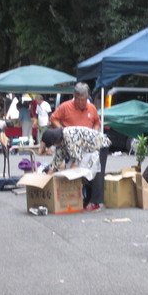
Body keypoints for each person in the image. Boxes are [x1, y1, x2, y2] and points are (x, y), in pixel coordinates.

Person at [50, 83, 106, 212]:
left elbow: (97, 122)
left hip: (89, 143)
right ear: (74, 96)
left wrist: (95, 132)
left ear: (87, 97)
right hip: (72, 144)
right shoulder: (65, 107)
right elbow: (53, 118)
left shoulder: (91, 108)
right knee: (75, 169)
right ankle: (76, 198)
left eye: (84, 99)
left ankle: (94, 200)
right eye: (78, 99)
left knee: (94, 170)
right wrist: (62, 130)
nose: (81, 102)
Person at [39, 127, 111, 191]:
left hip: (100, 144)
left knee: (96, 174)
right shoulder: (60, 141)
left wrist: (69, 175)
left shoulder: (70, 137)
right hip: (87, 149)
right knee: (82, 172)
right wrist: (47, 177)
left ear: (56, 142)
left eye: (53, 144)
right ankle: (86, 198)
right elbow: (57, 161)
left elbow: (77, 159)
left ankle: (95, 202)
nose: (53, 146)